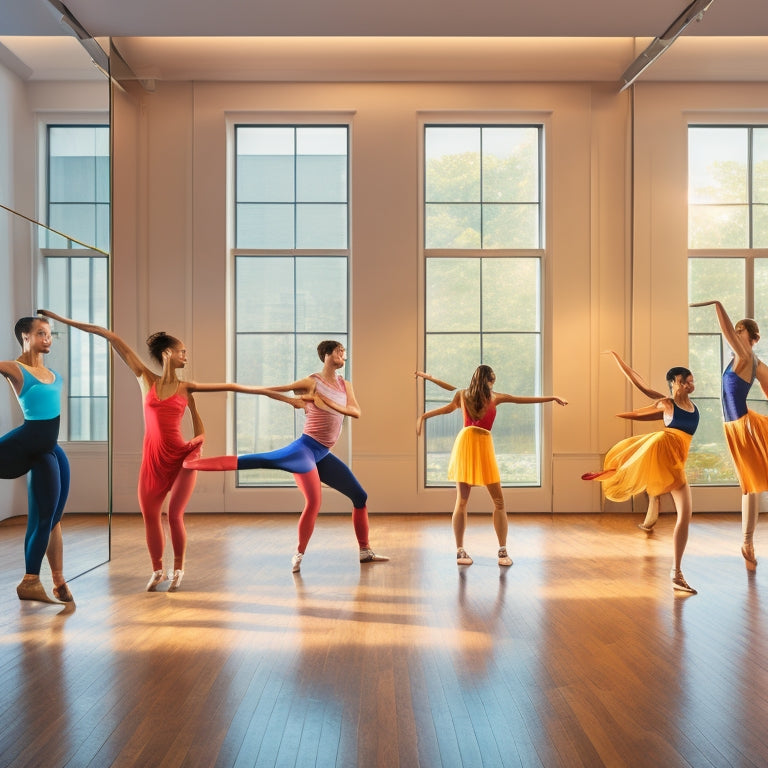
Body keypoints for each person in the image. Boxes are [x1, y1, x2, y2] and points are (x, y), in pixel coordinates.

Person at [38, 309, 299, 591]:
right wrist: (59, 320)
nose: (186, 356)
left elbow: (235, 386)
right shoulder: (145, 378)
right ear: (167, 354)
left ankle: (178, 569)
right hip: (153, 461)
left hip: (182, 457)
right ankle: (157, 570)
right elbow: (109, 335)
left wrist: (285, 399)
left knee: (174, 515)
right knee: (150, 515)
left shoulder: (188, 387)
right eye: (182, 351)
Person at [184, 340, 388, 573]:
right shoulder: (311, 382)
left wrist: (325, 402)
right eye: (340, 351)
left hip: (322, 453)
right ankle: (299, 554)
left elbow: (356, 412)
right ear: (327, 355)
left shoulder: (345, 385)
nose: (344, 355)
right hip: (305, 450)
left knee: (359, 496)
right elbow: (273, 389)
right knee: (301, 491)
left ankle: (365, 551)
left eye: (345, 352)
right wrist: (289, 399)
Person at [415, 366, 567, 567]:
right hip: (478, 444)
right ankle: (499, 551)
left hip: (466, 443)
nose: (493, 384)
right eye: (492, 380)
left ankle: (463, 551)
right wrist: (553, 397)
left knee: (463, 501)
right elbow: (521, 399)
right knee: (497, 502)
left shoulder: (464, 394)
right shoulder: (493, 396)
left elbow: (445, 410)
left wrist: (423, 417)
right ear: (489, 380)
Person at [582, 352, 699, 594]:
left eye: (692, 380)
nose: (691, 384)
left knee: (685, 515)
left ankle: (676, 572)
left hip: (678, 463)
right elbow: (642, 385)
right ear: (676, 382)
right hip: (664, 454)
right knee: (640, 469)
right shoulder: (667, 403)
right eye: (687, 380)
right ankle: (614, 474)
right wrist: (618, 359)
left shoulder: (692, 406)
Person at [689, 300, 768, 571]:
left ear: (754, 339)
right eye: (736, 330)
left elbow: (725, 331)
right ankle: (747, 542)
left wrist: (718, 305)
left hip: (742, 426)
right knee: (750, 483)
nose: (736, 333)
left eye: (741, 331)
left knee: (750, 484)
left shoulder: (747, 357)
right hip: (735, 426)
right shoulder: (747, 360)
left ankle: (747, 542)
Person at [1, 316, 73, 604]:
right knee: (44, 518)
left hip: (52, 450)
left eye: (49, 333)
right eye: (40, 333)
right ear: (25, 337)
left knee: (54, 518)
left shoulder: (55, 373)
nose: (48, 338)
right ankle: (30, 581)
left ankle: (58, 581)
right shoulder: (15, 369)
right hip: (32, 446)